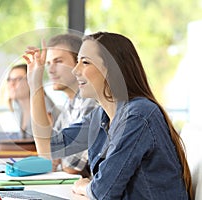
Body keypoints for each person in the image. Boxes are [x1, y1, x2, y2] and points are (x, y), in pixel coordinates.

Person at [23, 32, 193, 199]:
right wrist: (35, 84)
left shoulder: (138, 115)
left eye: (85, 62)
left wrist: (84, 185)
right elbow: (47, 147)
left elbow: (103, 191)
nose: (75, 70)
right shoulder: (101, 115)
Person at [28, 34, 98, 178]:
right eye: (48, 64)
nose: (51, 70)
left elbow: (72, 167)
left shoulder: (92, 102)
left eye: (58, 61)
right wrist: (35, 84)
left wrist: (59, 160)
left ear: (79, 63)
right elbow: (47, 153)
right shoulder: (70, 105)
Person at [6, 63, 59, 138]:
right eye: (9, 79)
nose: (11, 84)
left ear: (31, 82)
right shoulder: (18, 107)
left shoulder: (44, 104)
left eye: (18, 79)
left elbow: (48, 141)